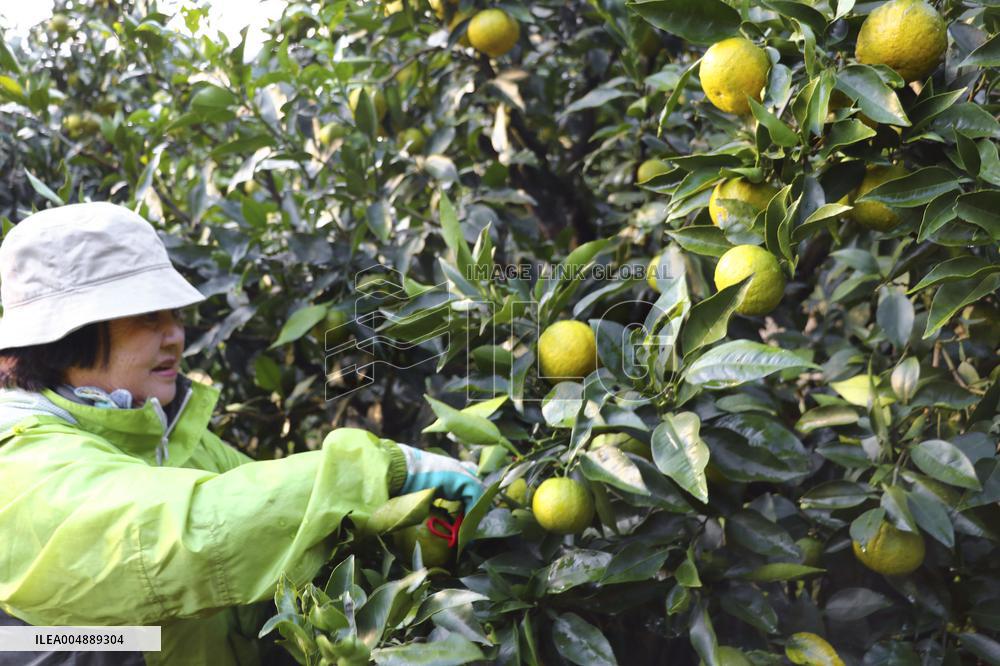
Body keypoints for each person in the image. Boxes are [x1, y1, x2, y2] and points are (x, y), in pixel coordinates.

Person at [0, 202, 484, 665]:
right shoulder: (19, 459)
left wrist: (401, 527)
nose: (175, 336)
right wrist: (383, 470)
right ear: (68, 335)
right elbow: (181, 533)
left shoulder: (163, 435)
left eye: (175, 315)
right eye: (149, 317)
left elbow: (274, 525)